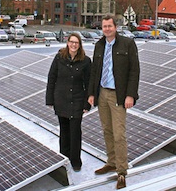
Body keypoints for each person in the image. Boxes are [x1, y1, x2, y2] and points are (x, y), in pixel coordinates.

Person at [87, 15, 140, 189]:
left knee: (119, 134)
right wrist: (92, 93)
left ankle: (122, 172)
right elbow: (95, 71)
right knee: (107, 130)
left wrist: (130, 95)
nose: (107, 29)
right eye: (105, 26)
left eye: (110, 26)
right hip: (102, 93)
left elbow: (134, 71)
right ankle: (111, 162)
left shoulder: (127, 44)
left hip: (118, 95)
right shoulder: (99, 45)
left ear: (115, 27)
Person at [46, 33, 92, 172]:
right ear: (67, 43)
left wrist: (87, 104)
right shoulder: (59, 58)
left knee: (75, 131)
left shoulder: (85, 61)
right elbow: (51, 78)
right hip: (61, 100)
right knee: (64, 131)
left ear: (80, 45)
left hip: (77, 101)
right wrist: (50, 99)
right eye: (71, 42)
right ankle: (64, 158)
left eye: (76, 43)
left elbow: (89, 83)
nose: (73, 45)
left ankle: (75, 161)